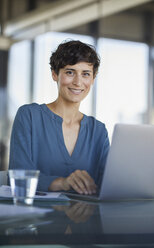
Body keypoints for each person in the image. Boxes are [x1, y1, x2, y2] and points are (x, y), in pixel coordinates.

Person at [9, 40, 110, 194]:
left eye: (85, 74)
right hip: (38, 216)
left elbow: (109, 184)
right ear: (55, 74)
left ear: (93, 79)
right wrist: (63, 183)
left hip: (87, 216)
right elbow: (18, 177)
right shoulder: (29, 116)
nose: (78, 82)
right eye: (70, 72)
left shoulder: (98, 130)